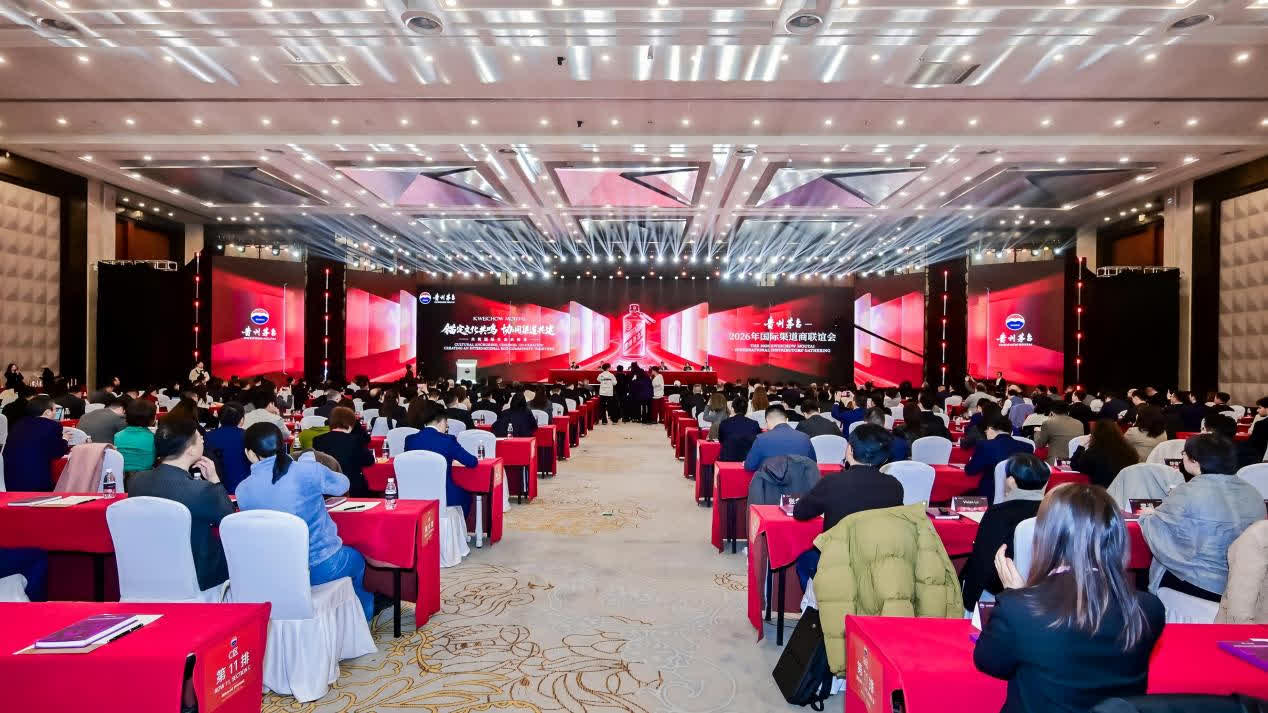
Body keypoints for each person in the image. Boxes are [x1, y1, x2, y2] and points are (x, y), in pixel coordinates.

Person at [974, 484, 1166, 713]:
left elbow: (990, 662)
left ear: (1047, 536)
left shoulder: (1018, 609)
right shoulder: (1150, 608)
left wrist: (1015, 595)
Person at [237, 423, 373, 620]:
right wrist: (312, 466)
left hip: (274, 570)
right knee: (358, 561)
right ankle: (361, 620)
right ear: (283, 445)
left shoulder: (242, 490)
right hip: (321, 565)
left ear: (249, 454)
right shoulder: (306, 471)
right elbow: (343, 484)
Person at [1138, 433, 1265, 603]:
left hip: (1201, 583)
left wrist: (1146, 518)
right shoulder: (1253, 492)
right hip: (1246, 582)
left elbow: (1158, 532)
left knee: (1142, 574)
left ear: (1195, 460)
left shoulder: (1187, 492)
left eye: (1184, 453)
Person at [127, 415, 235, 591]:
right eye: (199, 438)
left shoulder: (136, 481)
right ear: (190, 450)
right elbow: (229, 520)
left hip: (148, 570)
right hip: (197, 575)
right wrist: (215, 481)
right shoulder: (202, 490)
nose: (203, 439)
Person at [792, 423, 905, 588]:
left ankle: (818, 602)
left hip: (837, 561)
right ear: (885, 458)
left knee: (804, 561)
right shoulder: (895, 486)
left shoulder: (833, 482)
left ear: (850, 450)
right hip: (878, 563)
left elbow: (800, 512)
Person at [960, 453, 1050, 610]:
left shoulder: (998, 514)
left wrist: (968, 600)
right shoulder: (1053, 512)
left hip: (1001, 591)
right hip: (1045, 591)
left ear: (1011, 481)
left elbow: (983, 561)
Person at [404, 403, 479, 516]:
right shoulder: (448, 440)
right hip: (445, 496)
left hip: (415, 494)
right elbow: (472, 462)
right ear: (442, 421)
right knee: (466, 495)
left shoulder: (410, 440)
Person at [2, 396, 70, 491]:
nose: (56, 412)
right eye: (55, 410)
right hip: (37, 484)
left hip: (10, 482)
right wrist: (65, 439)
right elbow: (57, 452)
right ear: (47, 412)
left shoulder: (17, 424)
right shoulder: (53, 426)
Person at [965, 414, 1034, 503]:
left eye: (986, 429)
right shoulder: (1028, 447)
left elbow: (970, 470)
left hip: (989, 496)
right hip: (1019, 497)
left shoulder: (985, 445)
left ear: (990, 429)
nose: (985, 432)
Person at [313, 406, 375, 498]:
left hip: (326, 489)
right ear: (351, 423)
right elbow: (369, 461)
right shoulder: (356, 440)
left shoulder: (317, 440)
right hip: (352, 489)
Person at [743, 404, 815, 472]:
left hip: (771, 481)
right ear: (787, 420)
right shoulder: (804, 438)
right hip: (799, 480)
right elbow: (813, 464)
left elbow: (749, 466)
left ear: (767, 421)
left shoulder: (761, 439)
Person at [1070, 419, 1138, 489]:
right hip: (1125, 490)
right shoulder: (1129, 451)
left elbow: (1075, 465)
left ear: (1095, 435)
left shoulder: (1093, 452)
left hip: (1101, 491)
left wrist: (1081, 447)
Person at [203, 402, 251, 494]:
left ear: (220, 418)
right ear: (242, 419)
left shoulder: (208, 436)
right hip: (244, 488)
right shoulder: (248, 435)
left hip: (215, 488)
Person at [114, 397, 158, 475]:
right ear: (152, 419)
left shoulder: (117, 436)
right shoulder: (153, 438)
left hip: (121, 476)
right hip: (146, 476)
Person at [1033, 401, 1084, 465]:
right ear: (1068, 412)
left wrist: (1037, 432)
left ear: (1051, 412)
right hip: (1075, 462)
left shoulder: (1048, 423)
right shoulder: (1079, 423)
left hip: (1056, 462)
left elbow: (1039, 444)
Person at [718, 395, 762, 462]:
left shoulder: (724, 423)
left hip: (727, 459)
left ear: (733, 409)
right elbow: (758, 442)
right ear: (746, 410)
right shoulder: (754, 424)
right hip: (748, 460)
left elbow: (721, 440)